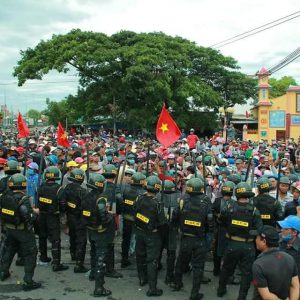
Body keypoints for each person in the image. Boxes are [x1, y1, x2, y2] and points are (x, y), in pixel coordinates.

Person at [217, 182, 263, 300]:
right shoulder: (254, 210)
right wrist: (248, 233)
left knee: (226, 268)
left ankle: (220, 290)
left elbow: (221, 221)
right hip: (248, 245)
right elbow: (259, 229)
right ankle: (241, 297)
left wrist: (232, 229)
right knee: (246, 274)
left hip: (232, 243)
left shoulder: (229, 207)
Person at [172, 178, 214, 300]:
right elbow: (210, 220)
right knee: (198, 266)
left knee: (180, 262)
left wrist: (177, 227)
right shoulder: (206, 200)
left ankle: (177, 284)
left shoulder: (183, 199)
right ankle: (194, 293)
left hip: (185, 236)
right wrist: (209, 233)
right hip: (199, 238)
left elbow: (175, 215)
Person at [0, 174, 41, 290]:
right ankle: (28, 281)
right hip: (23, 231)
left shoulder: (3, 196)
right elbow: (27, 216)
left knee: (9, 251)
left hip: (9, 229)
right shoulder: (24, 199)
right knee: (31, 254)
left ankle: (3, 272)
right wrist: (35, 213)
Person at [134, 175, 166, 296]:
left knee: (140, 256)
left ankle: (142, 279)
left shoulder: (139, 198)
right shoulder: (158, 204)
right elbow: (162, 222)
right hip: (152, 234)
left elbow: (135, 211)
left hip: (140, 231)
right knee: (152, 260)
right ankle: (152, 288)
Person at [81, 173, 112, 297]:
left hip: (90, 229)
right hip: (100, 231)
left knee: (93, 252)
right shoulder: (101, 199)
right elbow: (103, 218)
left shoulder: (85, 196)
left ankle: (93, 273)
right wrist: (109, 215)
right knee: (100, 258)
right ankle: (99, 288)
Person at [252, 225, 299, 300]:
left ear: (264, 241)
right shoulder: (290, 258)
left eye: (257, 238)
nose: (255, 240)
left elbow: (266, 296)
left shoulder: (258, 264)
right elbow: (295, 286)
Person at [37, 166, 69, 271]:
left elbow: (38, 200)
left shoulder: (41, 186)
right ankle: (56, 263)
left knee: (42, 237)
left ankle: (43, 257)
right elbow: (63, 204)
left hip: (41, 215)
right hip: (53, 216)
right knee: (55, 239)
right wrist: (62, 214)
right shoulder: (59, 189)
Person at [59, 167, 88, 272]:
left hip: (70, 216)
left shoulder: (66, 188)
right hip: (79, 218)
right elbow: (85, 206)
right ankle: (79, 264)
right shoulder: (82, 191)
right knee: (81, 240)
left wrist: (65, 213)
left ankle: (73, 254)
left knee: (72, 236)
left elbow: (62, 202)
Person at [120, 172, 146, 268]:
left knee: (125, 240)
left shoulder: (126, 190)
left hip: (127, 218)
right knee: (139, 240)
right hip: (138, 220)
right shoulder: (143, 193)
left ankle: (124, 259)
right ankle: (139, 260)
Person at [212, 181, 235, 276]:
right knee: (220, 250)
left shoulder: (232, 203)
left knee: (219, 250)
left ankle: (218, 270)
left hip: (223, 229)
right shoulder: (219, 201)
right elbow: (213, 212)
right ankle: (218, 270)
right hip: (221, 229)